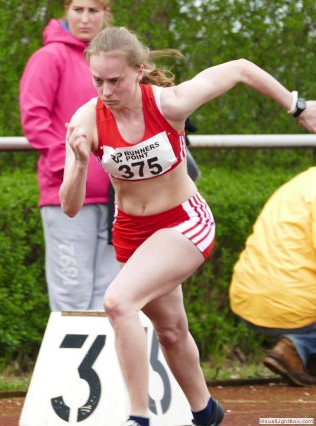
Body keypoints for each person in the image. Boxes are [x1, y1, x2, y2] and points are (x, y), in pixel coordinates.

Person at [59, 26, 316, 426]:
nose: (106, 91)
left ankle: (137, 417)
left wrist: (298, 107)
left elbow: (240, 68)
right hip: (132, 233)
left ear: (139, 71)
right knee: (171, 331)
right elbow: (70, 207)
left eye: (115, 81)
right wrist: (77, 164)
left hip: (184, 222)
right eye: (98, 81)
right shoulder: (86, 119)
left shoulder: (170, 104)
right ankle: (205, 411)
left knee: (118, 303)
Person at [19, 0, 119, 312]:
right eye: (78, 10)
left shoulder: (115, 61)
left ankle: (109, 350)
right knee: (72, 299)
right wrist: (72, 169)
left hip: (118, 197)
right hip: (68, 198)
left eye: (93, 11)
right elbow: (34, 119)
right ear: (66, 10)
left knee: (112, 297)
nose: (85, 19)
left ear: (106, 14)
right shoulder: (49, 57)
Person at [229, 167, 316, 387]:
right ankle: (298, 346)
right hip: (292, 303)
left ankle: (302, 352)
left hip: (248, 297)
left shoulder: (302, 181)